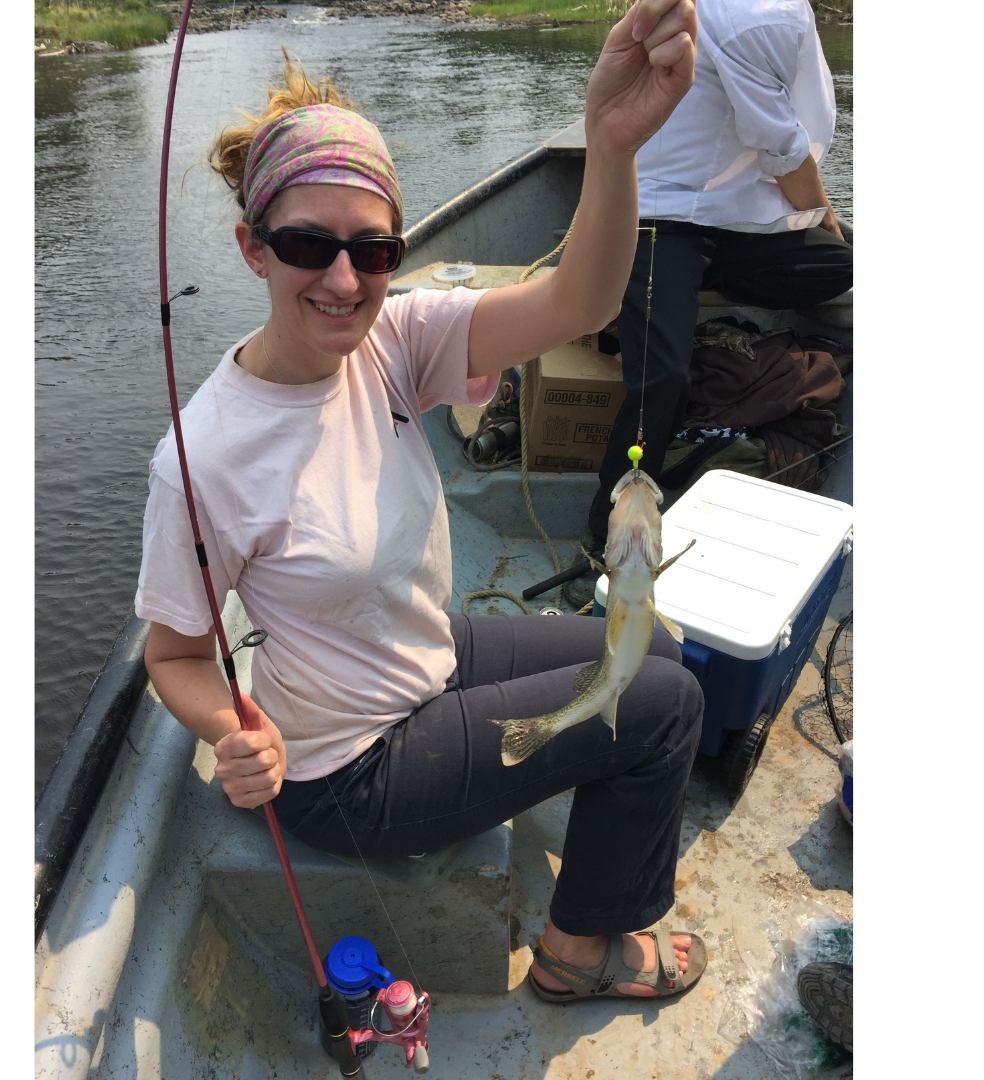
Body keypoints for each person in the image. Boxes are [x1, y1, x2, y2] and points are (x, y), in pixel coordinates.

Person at [137, 1, 708, 1003]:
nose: (346, 278)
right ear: (250, 247)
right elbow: (175, 656)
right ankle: (581, 956)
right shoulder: (205, 455)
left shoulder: (395, 342)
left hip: (426, 658)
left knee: (650, 651)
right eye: (308, 245)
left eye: (376, 248)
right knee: (667, 708)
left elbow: (581, 304)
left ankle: (574, 808)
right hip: (351, 772)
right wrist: (232, 729)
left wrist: (611, 146)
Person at [565, 0, 853, 607]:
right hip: (659, 214)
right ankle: (602, 532)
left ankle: (688, 305)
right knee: (662, 373)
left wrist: (829, 233)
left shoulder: (778, 10)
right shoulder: (750, 16)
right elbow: (785, 155)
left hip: (733, 218)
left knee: (842, 267)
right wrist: (825, 216)